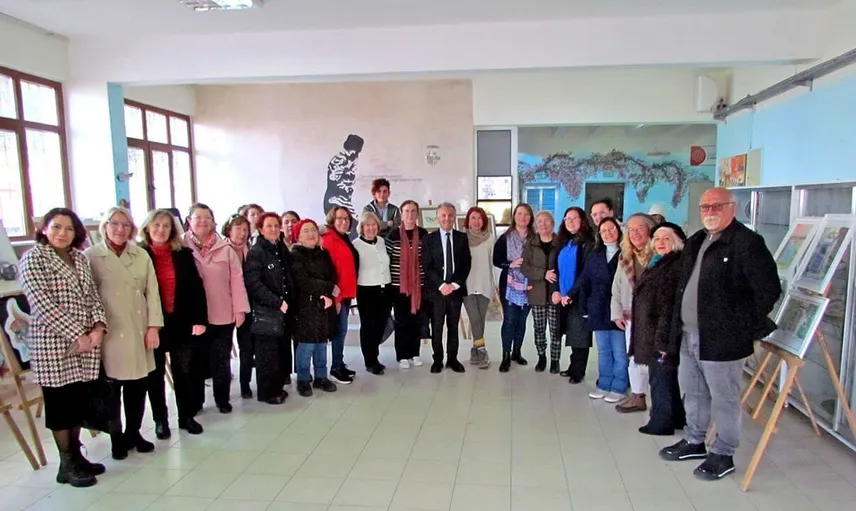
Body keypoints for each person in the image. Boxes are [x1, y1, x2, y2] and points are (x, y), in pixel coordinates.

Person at [660, 188, 780, 481]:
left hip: (723, 338)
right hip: (689, 333)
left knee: (724, 398)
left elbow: (768, 290)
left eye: (717, 206)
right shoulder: (697, 240)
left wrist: (740, 326)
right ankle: (694, 441)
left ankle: (723, 453)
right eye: (705, 207)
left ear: (732, 208)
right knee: (694, 391)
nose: (710, 212)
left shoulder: (747, 243)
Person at [20, 208, 108, 487]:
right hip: (54, 344)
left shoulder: (79, 258)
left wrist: (98, 327)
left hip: (87, 342)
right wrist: (77, 335)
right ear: (44, 228)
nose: (62, 233)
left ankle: (77, 456)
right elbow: (42, 304)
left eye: (69, 229)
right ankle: (66, 462)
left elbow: (92, 295)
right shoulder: (33, 258)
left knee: (78, 400)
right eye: (56, 227)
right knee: (60, 404)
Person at [85, 207, 162, 460]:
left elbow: (152, 293)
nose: (120, 229)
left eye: (126, 225)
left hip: (138, 329)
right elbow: (87, 297)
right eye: (114, 223)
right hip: (109, 332)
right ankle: (116, 437)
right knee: (111, 390)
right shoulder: (91, 256)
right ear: (105, 226)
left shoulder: (140, 255)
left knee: (137, 386)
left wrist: (154, 327)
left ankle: (134, 432)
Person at [140, 209, 208, 438]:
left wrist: (200, 319)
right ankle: (160, 420)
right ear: (147, 227)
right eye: (156, 225)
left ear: (172, 230)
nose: (161, 230)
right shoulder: (139, 255)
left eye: (166, 226)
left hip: (180, 320)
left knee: (184, 371)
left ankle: (186, 416)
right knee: (155, 374)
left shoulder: (182, 254)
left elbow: (196, 289)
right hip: (152, 324)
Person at [184, 203, 250, 414]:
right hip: (193, 316)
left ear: (214, 222)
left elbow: (237, 280)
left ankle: (222, 399)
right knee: (195, 360)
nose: (203, 221)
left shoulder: (225, 249)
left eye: (207, 217)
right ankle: (196, 401)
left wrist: (240, 309)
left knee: (221, 359)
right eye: (198, 217)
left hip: (222, 312)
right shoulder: (181, 246)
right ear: (189, 221)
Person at [631, 222, 687, 436]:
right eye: (657, 239)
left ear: (677, 242)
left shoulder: (674, 266)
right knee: (667, 377)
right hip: (652, 330)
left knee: (660, 377)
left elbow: (669, 307)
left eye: (666, 239)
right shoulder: (659, 261)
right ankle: (677, 417)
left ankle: (661, 422)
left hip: (661, 334)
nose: (660, 243)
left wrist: (663, 342)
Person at [243, 212, 294, 405]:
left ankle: (277, 387)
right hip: (266, 310)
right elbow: (254, 283)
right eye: (269, 226)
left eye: (276, 226)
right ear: (260, 229)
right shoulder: (257, 252)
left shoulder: (279, 247)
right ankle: (268, 392)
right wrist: (275, 301)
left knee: (280, 351)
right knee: (267, 354)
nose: (273, 229)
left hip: (283, 310)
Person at [577, 217, 628, 403]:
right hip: (598, 306)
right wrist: (584, 306)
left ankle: (619, 386)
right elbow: (585, 281)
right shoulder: (595, 254)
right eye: (603, 230)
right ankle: (604, 384)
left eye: (611, 229)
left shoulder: (626, 253)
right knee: (604, 350)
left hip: (618, 307)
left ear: (619, 230)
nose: (608, 233)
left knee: (619, 351)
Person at [611, 213, 656, 413]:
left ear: (650, 230)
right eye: (631, 230)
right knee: (634, 358)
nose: (635, 233)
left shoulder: (659, 255)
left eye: (640, 228)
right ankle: (638, 397)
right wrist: (616, 313)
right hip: (631, 316)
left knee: (656, 360)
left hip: (655, 317)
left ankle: (660, 402)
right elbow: (617, 287)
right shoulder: (625, 257)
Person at [289, 219, 339, 396]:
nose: (311, 234)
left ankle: (321, 377)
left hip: (324, 305)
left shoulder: (323, 253)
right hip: (305, 307)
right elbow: (303, 281)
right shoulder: (295, 255)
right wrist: (327, 288)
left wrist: (327, 292)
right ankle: (303, 379)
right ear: (299, 237)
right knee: (307, 345)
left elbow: (333, 275)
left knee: (321, 344)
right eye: (306, 231)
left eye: (313, 230)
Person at [421, 202, 471, 373]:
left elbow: (466, 264)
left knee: (453, 326)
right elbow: (427, 266)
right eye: (443, 215)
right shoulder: (428, 239)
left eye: (450, 215)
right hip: (436, 291)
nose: (447, 218)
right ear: (437, 218)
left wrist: (455, 284)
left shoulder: (462, 238)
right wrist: (442, 285)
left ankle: (452, 359)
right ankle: (437, 360)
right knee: (437, 326)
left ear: (454, 217)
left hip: (455, 291)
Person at [552, 206, 595, 383]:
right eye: (566, 219)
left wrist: (571, 293)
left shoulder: (588, 243)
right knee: (571, 333)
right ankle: (572, 367)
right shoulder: (564, 242)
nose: (569, 222)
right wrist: (556, 290)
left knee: (580, 335)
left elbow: (586, 273)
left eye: (574, 218)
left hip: (579, 296)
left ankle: (578, 371)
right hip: (564, 297)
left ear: (582, 220)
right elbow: (555, 269)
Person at [386, 200, 428, 369]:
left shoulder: (424, 234)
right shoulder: (393, 236)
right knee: (401, 321)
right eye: (406, 211)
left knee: (416, 320)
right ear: (401, 214)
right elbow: (387, 261)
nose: (410, 214)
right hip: (399, 287)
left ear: (417, 214)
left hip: (419, 286)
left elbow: (427, 260)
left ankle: (414, 353)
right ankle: (402, 355)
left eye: (413, 211)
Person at [494, 203, 535, 372]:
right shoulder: (505, 237)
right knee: (510, 320)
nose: (523, 217)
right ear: (514, 216)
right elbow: (496, 260)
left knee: (522, 320)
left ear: (530, 218)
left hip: (530, 284)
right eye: (519, 214)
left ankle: (517, 352)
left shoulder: (535, 238)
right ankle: (506, 355)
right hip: (510, 284)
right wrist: (510, 264)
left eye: (526, 214)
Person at [321, 206, 359, 384]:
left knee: (341, 331)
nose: (344, 222)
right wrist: (335, 298)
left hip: (346, 293)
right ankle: (335, 368)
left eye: (346, 219)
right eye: (340, 218)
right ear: (332, 220)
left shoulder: (343, 237)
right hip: (338, 295)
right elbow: (329, 272)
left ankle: (340, 363)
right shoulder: (329, 239)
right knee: (339, 331)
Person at [521, 211, 561, 373]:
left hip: (555, 294)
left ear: (553, 223)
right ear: (536, 224)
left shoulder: (560, 242)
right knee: (539, 329)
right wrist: (543, 273)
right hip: (536, 293)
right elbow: (524, 267)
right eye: (540, 221)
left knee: (555, 329)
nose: (543, 224)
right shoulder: (530, 243)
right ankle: (541, 357)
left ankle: (555, 360)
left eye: (547, 221)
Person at [353, 211, 392, 375]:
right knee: (369, 327)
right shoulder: (356, 245)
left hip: (385, 289)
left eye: (373, 224)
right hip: (366, 290)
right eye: (367, 225)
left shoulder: (381, 242)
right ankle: (370, 361)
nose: (371, 228)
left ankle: (375, 355)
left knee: (381, 324)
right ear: (361, 227)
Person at [221, 213, 256, 398]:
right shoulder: (221, 249)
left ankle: (245, 384)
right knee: (223, 349)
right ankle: (223, 390)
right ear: (229, 229)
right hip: (224, 305)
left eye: (245, 229)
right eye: (238, 228)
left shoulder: (250, 250)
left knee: (246, 347)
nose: (242, 233)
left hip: (246, 305)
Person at [462, 206, 495, 370]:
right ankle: (482, 351)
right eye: (473, 218)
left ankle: (474, 350)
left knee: (480, 320)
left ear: (484, 221)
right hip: (467, 284)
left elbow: (492, 263)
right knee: (474, 318)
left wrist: (495, 285)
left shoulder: (490, 239)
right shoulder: (461, 239)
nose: (476, 221)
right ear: (468, 221)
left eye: (479, 218)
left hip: (484, 284)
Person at [323, 134, 364, 237]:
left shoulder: (352, 161)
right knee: (347, 230)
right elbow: (334, 177)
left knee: (355, 228)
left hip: (345, 201)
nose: (356, 154)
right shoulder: (340, 160)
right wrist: (347, 170)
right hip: (335, 200)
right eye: (355, 150)